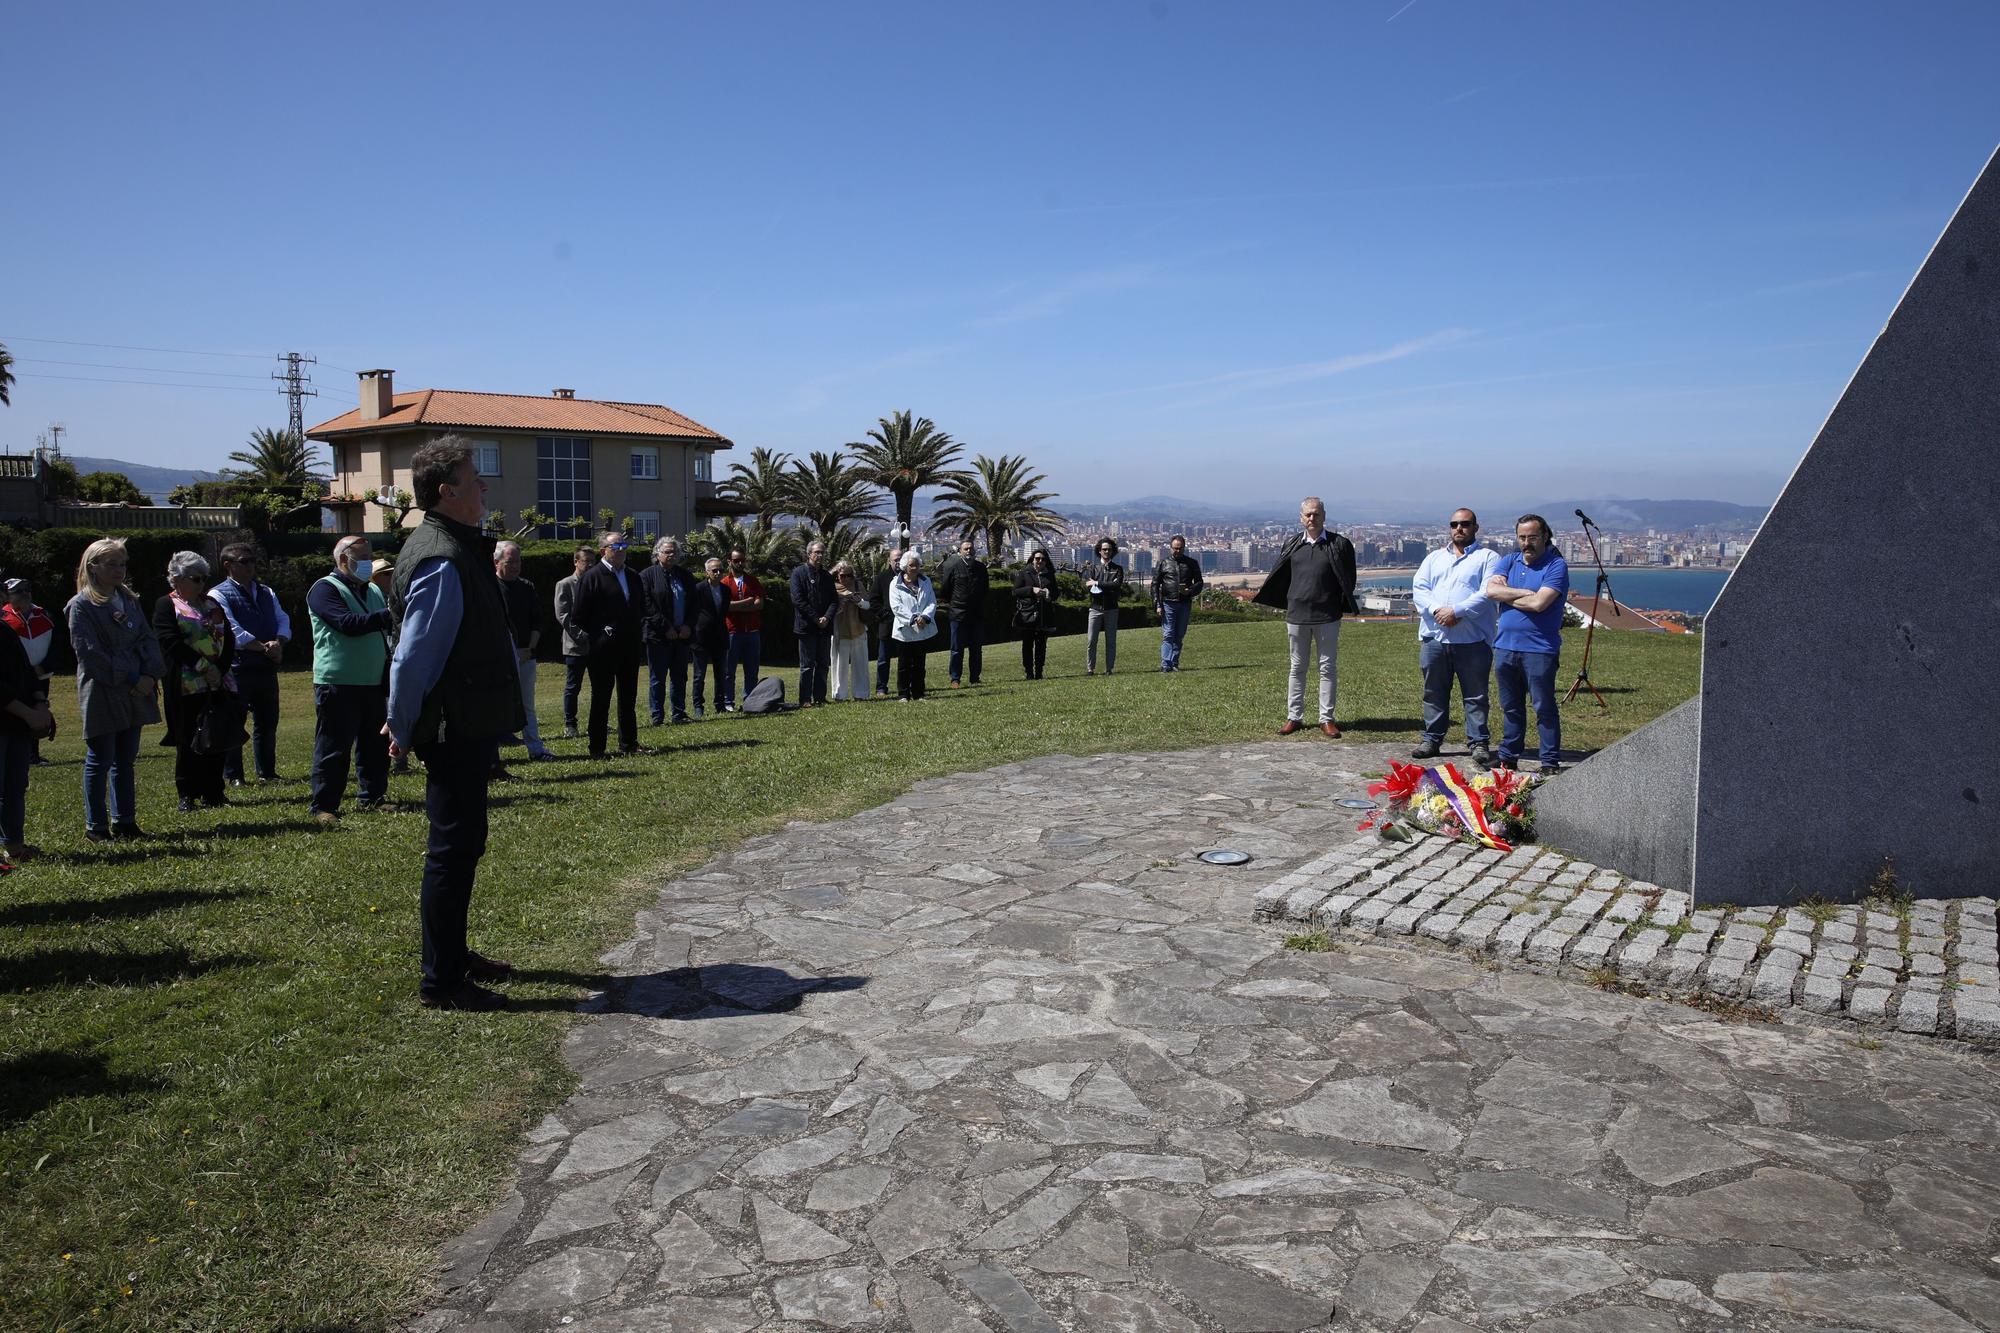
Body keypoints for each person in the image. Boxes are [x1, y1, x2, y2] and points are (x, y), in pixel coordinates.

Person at [384, 436, 526, 1011]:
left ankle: (453, 954)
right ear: (447, 491)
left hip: (466, 720)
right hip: (452, 726)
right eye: (476, 479)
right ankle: (442, 980)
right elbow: (415, 654)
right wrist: (398, 723)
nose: (485, 487)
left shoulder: (456, 545)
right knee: (451, 849)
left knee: (464, 845)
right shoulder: (440, 556)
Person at [67, 538, 165, 843]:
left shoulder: (129, 599)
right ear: (93, 566)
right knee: (101, 757)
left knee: (125, 759)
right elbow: (90, 654)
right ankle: (96, 827)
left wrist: (150, 673)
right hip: (104, 689)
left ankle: (125, 821)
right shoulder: (81, 606)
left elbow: (148, 639)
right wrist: (132, 677)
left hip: (136, 688)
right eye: (111, 564)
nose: (119, 570)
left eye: (122, 563)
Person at [303, 536, 395, 823]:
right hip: (338, 680)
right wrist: (390, 615)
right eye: (362, 557)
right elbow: (346, 624)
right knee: (334, 747)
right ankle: (324, 805)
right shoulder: (324, 589)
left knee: (375, 746)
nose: (368, 562)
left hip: (372, 680)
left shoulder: (373, 591)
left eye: (370, 556)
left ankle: (373, 796)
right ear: (343, 559)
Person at [1254, 496, 1358, 738]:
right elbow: (1282, 576)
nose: (1312, 518)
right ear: (1301, 518)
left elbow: (1348, 578)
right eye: (1308, 514)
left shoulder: (1338, 544)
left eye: (1316, 514)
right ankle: (1294, 717)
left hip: (1327, 615)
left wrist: (1337, 603)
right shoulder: (1292, 544)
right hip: (1297, 615)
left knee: (1327, 667)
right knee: (1297, 667)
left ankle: (1327, 719)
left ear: (1324, 516)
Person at [1411, 508, 1500, 766]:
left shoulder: (1488, 558)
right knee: (1434, 691)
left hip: (1472, 639)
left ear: (1475, 527)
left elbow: (1488, 592)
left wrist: (1457, 611)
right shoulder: (1434, 558)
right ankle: (1432, 738)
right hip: (1435, 637)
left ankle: (1478, 742)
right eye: (1454, 524)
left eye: (1465, 524)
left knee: (1475, 694)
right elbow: (1420, 589)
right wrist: (1438, 610)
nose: (1459, 528)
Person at [1484, 514, 1571, 774]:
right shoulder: (1509, 560)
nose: (1526, 543)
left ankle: (1549, 761)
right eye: (1522, 537)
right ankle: (1508, 756)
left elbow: (1539, 604)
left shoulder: (1556, 566)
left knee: (1543, 706)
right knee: (1510, 706)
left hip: (1539, 648)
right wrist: (1524, 593)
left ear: (1545, 536)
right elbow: (1490, 591)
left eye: (1532, 537)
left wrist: (1508, 594)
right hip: (1505, 647)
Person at [153, 552, 237, 812]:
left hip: (218, 682)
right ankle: (187, 793)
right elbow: (170, 642)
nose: (201, 584)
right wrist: (203, 667)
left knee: (216, 735)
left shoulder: (212, 604)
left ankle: (214, 792)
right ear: (177, 579)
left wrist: (219, 669)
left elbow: (229, 639)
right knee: (188, 737)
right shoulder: (166, 605)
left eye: (204, 578)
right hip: (186, 683)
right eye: (196, 578)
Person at [210, 541, 290, 786]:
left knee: (267, 722)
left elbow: (282, 618)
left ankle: (267, 771)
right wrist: (265, 647)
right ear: (228, 565)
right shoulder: (218, 594)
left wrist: (279, 642)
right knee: (235, 722)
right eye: (244, 561)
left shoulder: (266, 591)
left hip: (266, 667)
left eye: (253, 560)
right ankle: (234, 775)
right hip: (238, 667)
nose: (250, 566)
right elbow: (231, 628)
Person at [574, 530, 650, 758]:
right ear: (603, 551)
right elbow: (579, 615)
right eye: (616, 547)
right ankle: (597, 747)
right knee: (601, 698)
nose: (621, 551)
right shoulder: (592, 577)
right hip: (602, 648)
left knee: (628, 696)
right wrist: (600, 631)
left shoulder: (633, 576)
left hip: (629, 645)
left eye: (624, 546)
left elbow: (641, 608)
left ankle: (629, 743)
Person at [0, 572, 55, 861]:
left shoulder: (6, 630)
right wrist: (28, 713)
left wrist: (41, 704)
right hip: (11, 718)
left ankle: (15, 846)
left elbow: (28, 672)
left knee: (15, 786)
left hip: (19, 722)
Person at [494, 541, 553, 762]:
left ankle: (536, 748)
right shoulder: (490, 587)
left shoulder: (527, 586)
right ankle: (493, 755)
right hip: (500, 658)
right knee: (497, 706)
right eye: (511, 562)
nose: (516, 566)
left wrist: (529, 648)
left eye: (518, 561)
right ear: (496, 562)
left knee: (527, 705)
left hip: (526, 656)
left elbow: (537, 621)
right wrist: (510, 652)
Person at [641, 536, 697, 725]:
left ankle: (678, 713)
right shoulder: (647, 575)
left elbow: (694, 604)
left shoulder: (685, 576)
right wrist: (666, 627)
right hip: (658, 636)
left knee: (679, 677)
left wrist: (688, 625)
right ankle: (657, 715)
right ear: (658, 554)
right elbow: (647, 605)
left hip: (682, 635)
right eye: (667, 552)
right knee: (658, 678)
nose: (671, 555)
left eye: (674, 552)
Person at [3, 577, 57, 765]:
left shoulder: (44, 614)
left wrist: (45, 667)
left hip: (40, 675)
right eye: (19, 591)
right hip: (14, 678)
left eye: (27, 589)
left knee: (40, 707)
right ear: (7, 595)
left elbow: (57, 645)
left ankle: (33, 754)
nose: (25, 594)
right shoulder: (4, 618)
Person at [937, 537, 989, 688]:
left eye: (971, 548)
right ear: (960, 552)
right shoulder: (953, 567)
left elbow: (985, 589)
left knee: (976, 649)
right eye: (965, 549)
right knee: (956, 649)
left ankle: (975, 677)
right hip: (958, 614)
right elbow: (945, 590)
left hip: (976, 614)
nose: (969, 551)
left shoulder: (981, 568)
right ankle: (955, 679)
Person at [790, 539, 836, 708]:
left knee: (823, 664)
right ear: (809, 554)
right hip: (806, 627)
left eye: (822, 552)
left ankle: (820, 697)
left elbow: (834, 600)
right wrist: (816, 618)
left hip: (824, 628)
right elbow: (798, 600)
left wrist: (827, 618)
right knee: (807, 666)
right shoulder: (799, 573)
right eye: (817, 552)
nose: (820, 555)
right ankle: (805, 698)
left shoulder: (827, 576)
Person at [552, 546, 591, 737]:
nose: (591, 565)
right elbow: (563, 615)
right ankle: (570, 724)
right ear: (576, 562)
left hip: (596, 645)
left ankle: (596, 722)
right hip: (575, 646)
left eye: (594, 561)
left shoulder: (595, 582)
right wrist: (582, 634)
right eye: (586, 561)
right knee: (573, 687)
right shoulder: (565, 584)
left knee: (600, 686)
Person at [720, 547, 764, 712]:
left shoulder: (753, 581)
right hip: (732, 632)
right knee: (729, 670)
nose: (740, 563)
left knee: (752, 670)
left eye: (742, 560)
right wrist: (747, 602)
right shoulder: (725, 582)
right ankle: (728, 702)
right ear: (730, 562)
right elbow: (726, 607)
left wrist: (738, 606)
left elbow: (760, 604)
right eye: (736, 560)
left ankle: (749, 700)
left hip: (752, 632)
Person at [1151, 535, 1204, 672]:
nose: (1177, 551)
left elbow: (1199, 583)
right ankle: (1165, 664)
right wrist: (1157, 604)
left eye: (1180, 548)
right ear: (1170, 548)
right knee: (1168, 633)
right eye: (1175, 548)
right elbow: (1155, 585)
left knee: (1179, 634)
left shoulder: (1191, 563)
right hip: (1168, 602)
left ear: (1184, 548)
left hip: (1184, 603)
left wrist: (1190, 591)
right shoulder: (1163, 563)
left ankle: (1174, 662)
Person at [889, 551, 937, 701]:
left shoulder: (926, 581)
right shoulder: (895, 584)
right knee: (904, 664)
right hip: (904, 630)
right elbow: (896, 606)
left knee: (919, 664)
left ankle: (918, 693)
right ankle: (903, 694)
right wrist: (913, 619)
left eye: (916, 565)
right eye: (911, 565)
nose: (914, 568)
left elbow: (932, 602)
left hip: (922, 628)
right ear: (905, 566)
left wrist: (924, 617)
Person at [689, 557, 732, 717]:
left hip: (720, 636)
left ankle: (720, 704)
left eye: (721, 569)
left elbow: (724, 612)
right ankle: (698, 706)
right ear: (707, 572)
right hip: (701, 637)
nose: (718, 573)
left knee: (720, 674)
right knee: (699, 675)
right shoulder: (698, 589)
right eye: (714, 570)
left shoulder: (726, 590)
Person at [828, 560, 873, 701]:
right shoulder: (831, 587)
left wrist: (857, 600)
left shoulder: (857, 585)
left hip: (858, 629)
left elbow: (867, 605)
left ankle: (861, 693)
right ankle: (839, 694)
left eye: (849, 575)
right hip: (839, 631)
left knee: (860, 664)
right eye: (843, 576)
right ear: (837, 576)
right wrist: (840, 603)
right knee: (839, 665)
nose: (846, 578)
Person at [1012, 546, 1059, 680]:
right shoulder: (1024, 573)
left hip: (1044, 614)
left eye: (1043, 559)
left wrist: (1049, 594)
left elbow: (1056, 593)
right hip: (1028, 614)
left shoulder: (1049, 575)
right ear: (1032, 560)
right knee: (1027, 644)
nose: (1040, 561)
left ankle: (1039, 671)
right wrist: (1032, 590)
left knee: (1041, 645)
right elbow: (1015, 591)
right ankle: (1029, 672)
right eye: (1037, 558)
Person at [1083, 537, 1126, 676]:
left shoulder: (1118, 569)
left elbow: (1116, 585)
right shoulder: (1093, 569)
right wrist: (1100, 585)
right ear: (1099, 551)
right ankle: (1090, 668)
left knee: (1111, 641)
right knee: (1091, 640)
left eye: (1109, 549)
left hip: (1111, 608)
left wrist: (1097, 583)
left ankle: (1109, 669)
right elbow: (1089, 587)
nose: (1107, 551)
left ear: (1113, 551)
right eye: (1104, 549)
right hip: (1095, 608)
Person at [870, 545, 904, 698]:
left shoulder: (909, 577)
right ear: (889, 561)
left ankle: (904, 686)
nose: (898, 562)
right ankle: (881, 688)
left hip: (905, 626)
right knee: (883, 659)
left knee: (905, 658)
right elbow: (873, 601)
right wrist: (885, 615)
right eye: (895, 559)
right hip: (887, 624)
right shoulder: (881, 578)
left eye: (900, 559)